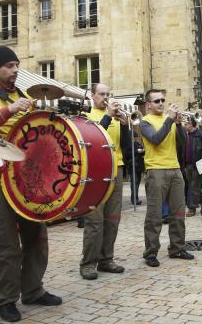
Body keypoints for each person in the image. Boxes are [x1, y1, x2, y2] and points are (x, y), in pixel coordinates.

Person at [0, 46, 62, 322]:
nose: (16, 70)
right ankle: (5, 300)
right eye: (9, 65)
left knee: (37, 238)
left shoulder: (24, 97)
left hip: (29, 180)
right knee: (6, 245)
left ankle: (33, 290)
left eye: (17, 65)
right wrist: (8, 110)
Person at [79, 83, 131, 280]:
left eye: (108, 94)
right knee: (94, 219)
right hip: (96, 170)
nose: (105, 97)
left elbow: (126, 147)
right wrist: (109, 116)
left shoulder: (115, 119)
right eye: (101, 94)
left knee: (112, 218)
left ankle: (106, 259)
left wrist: (125, 126)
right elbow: (95, 135)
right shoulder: (87, 118)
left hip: (116, 168)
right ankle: (88, 263)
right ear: (93, 96)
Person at [139, 89, 194, 267]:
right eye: (156, 101)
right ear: (148, 105)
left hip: (175, 169)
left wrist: (178, 125)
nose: (161, 103)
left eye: (162, 100)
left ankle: (177, 248)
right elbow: (156, 139)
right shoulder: (144, 122)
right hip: (156, 170)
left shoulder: (169, 120)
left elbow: (184, 144)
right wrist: (170, 120)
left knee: (178, 213)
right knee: (154, 215)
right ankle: (150, 253)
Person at [183, 117, 202, 217]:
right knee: (193, 186)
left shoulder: (201, 135)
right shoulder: (185, 135)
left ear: (191, 124)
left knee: (194, 185)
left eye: (186, 123)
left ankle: (192, 208)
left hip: (199, 164)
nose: (185, 125)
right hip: (187, 164)